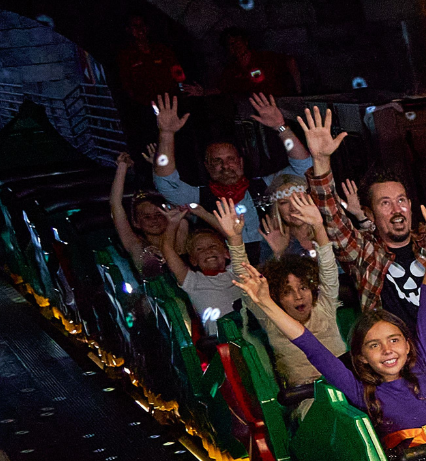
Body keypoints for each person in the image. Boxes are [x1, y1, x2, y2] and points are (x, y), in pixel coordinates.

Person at [234, 204, 426, 461]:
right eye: (375, 345)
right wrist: (267, 304)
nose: (387, 350)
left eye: (394, 340)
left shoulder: (422, 368)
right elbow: (312, 348)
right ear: (361, 358)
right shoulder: (360, 390)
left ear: (408, 344)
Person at [298, 104, 426, 328]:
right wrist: (321, 161)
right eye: (385, 203)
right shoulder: (365, 253)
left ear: (410, 206)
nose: (396, 209)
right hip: (399, 354)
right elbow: (332, 217)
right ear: (369, 214)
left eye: (401, 200)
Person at [151, 91, 311, 263]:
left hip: (275, 257)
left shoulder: (265, 185)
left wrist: (280, 127)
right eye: (217, 161)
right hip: (230, 268)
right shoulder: (199, 196)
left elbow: (305, 167)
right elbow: (165, 182)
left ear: (241, 163)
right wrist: (166, 134)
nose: (225, 166)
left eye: (231, 159)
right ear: (207, 166)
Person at [238, 190, 346, 406]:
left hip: (346, 389)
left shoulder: (323, 307)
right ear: (278, 298)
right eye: (288, 292)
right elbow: (247, 282)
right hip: (307, 399)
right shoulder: (272, 318)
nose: (298, 296)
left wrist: (318, 226)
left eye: (303, 287)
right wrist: (234, 239)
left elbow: (328, 269)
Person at [108, 151, 183, 281]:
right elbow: (115, 204)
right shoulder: (136, 246)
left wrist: (158, 168)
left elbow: (177, 197)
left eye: (158, 214)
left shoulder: (182, 231)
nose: (154, 220)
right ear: (136, 222)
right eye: (146, 217)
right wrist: (122, 166)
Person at [162, 214, 243, 328]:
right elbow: (168, 250)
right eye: (200, 249)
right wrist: (173, 223)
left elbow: (232, 237)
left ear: (226, 253)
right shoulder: (193, 281)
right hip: (221, 341)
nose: (208, 251)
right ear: (193, 260)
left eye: (213, 246)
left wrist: (201, 211)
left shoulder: (237, 270)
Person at [213, 28, 298, 98]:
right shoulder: (230, 69)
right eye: (230, 44)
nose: (235, 47)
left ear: (245, 42)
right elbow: (221, 88)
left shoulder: (265, 57)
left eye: (237, 42)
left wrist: (298, 91)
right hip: (248, 108)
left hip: (275, 102)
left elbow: (290, 61)